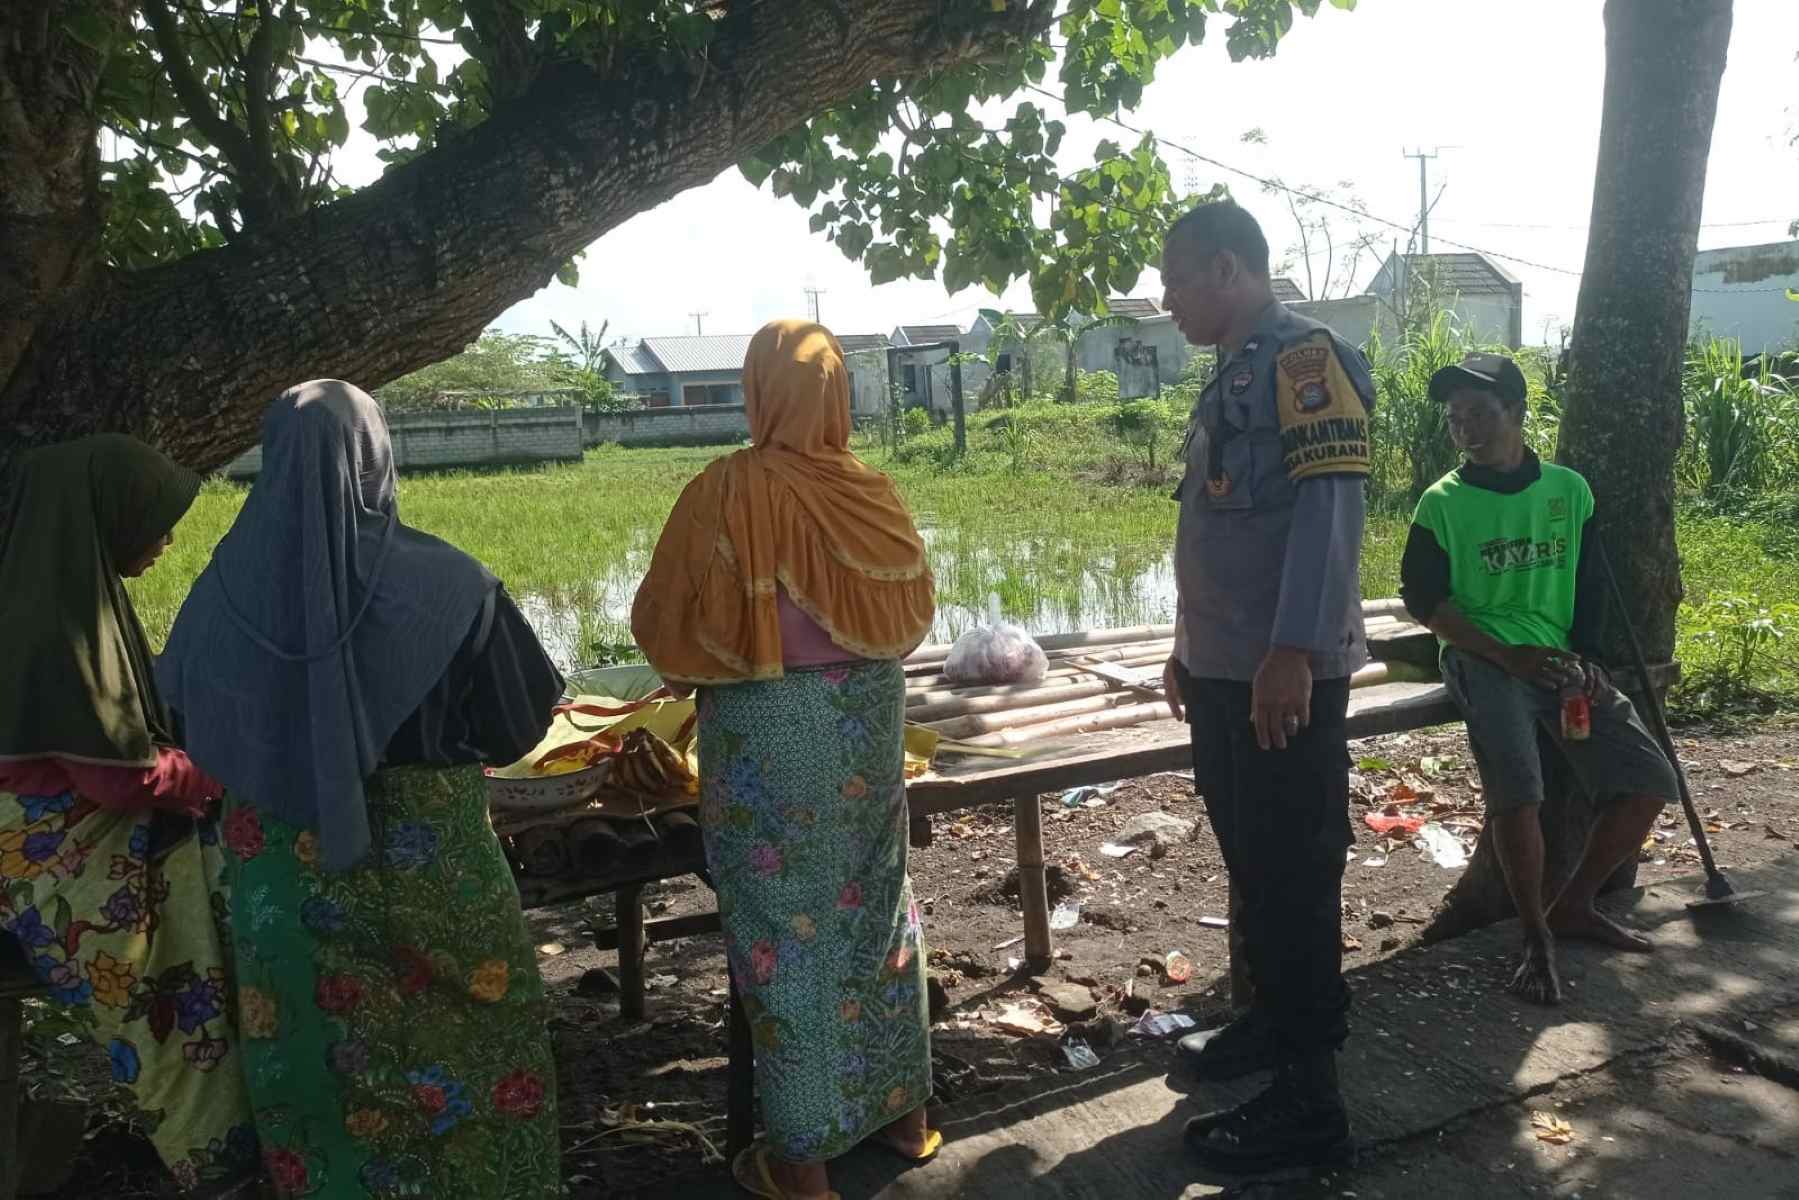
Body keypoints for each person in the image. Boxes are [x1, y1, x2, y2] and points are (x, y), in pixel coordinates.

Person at [156, 381, 565, 1199]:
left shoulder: (219, 597)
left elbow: (183, 717)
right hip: (435, 874)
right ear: (376, 457)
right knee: (473, 1046)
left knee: (316, 1062)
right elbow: (519, 726)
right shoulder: (453, 587)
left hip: (283, 886)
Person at [633, 320, 939, 1200]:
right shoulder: (873, 493)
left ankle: (802, 1165)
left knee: (783, 935)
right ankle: (903, 1121)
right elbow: (911, 616)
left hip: (768, 736)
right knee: (876, 908)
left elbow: (666, 622)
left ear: (760, 391)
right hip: (863, 729)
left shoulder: (728, 488)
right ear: (838, 393)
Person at [1156, 200, 1373, 1173]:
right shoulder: (1231, 376)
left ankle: (1308, 1109)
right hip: (1222, 667)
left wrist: (1291, 651)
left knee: (1291, 876)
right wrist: (1186, 644)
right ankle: (1271, 1031)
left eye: (1173, 280)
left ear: (1226, 268)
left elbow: (1327, 515)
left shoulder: (1301, 362)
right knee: (1255, 864)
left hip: (1277, 674)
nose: (1164, 301)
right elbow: (1218, 527)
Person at [0, 435, 261, 1196]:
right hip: (49, 844)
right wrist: (220, 775)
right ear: (102, 518)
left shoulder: (44, 587)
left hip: (38, 823)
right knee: (183, 969)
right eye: (154, 519)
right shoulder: (57, 621)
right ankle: (213, 1148)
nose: (167, 538)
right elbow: (122, 778)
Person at [1399, 353, 1676, 1006]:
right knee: (1518, 791)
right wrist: (1504, 654)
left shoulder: (1567, 491)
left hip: (1555, 660)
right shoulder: (1441, 503)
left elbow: (1585, 586)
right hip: (1480, 658)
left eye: (1479, 412)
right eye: (1454, 417)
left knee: (1649, 779)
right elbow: (1425, 602)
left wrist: (1583, 658)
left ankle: (1572, 906)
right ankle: (1532, 935)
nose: (1464, 426)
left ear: (1517, 414)